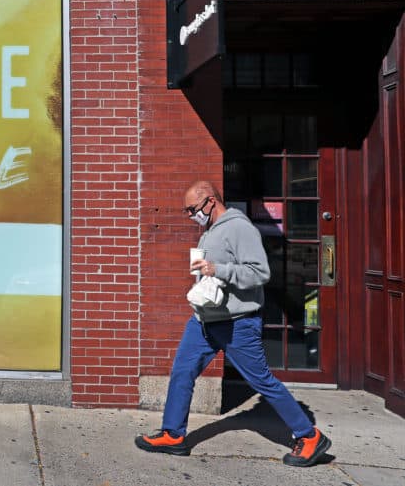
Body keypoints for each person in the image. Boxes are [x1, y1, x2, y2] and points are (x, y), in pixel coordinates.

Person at [134, 180, 331, 467]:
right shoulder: (210, 231)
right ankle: (173, 435)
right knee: (182, 371)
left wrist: (219, 269)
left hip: (237, 322)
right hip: (206, 318)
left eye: (193, 209)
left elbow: (260, 272)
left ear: (210, 201)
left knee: (261, 380)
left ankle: (310, 436)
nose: (191, 215)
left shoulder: (240, 227)